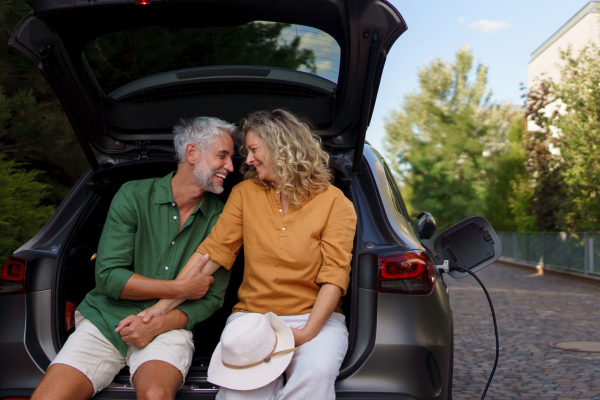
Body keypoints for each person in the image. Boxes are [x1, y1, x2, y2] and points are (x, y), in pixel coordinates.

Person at [135, 109, 357, 399]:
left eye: (253, 150)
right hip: (253, 319)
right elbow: (212, 253)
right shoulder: (244, 194)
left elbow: (334, 277)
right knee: (242, 392)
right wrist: (159, 308)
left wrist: (305, 334)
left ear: (281, 146)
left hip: (314, 318)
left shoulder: (334, 202)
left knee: (314, 376)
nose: (248, 160)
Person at [31, 117, 237, 400]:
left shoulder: (223, 217)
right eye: (222, 156)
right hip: (106, 319)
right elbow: (108, 277)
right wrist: (178, 289)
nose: (231, 167)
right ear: (192, 154)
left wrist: (156, 323)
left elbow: (212, 298)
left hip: (169, 327)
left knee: (155, 395)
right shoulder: (133, 195)